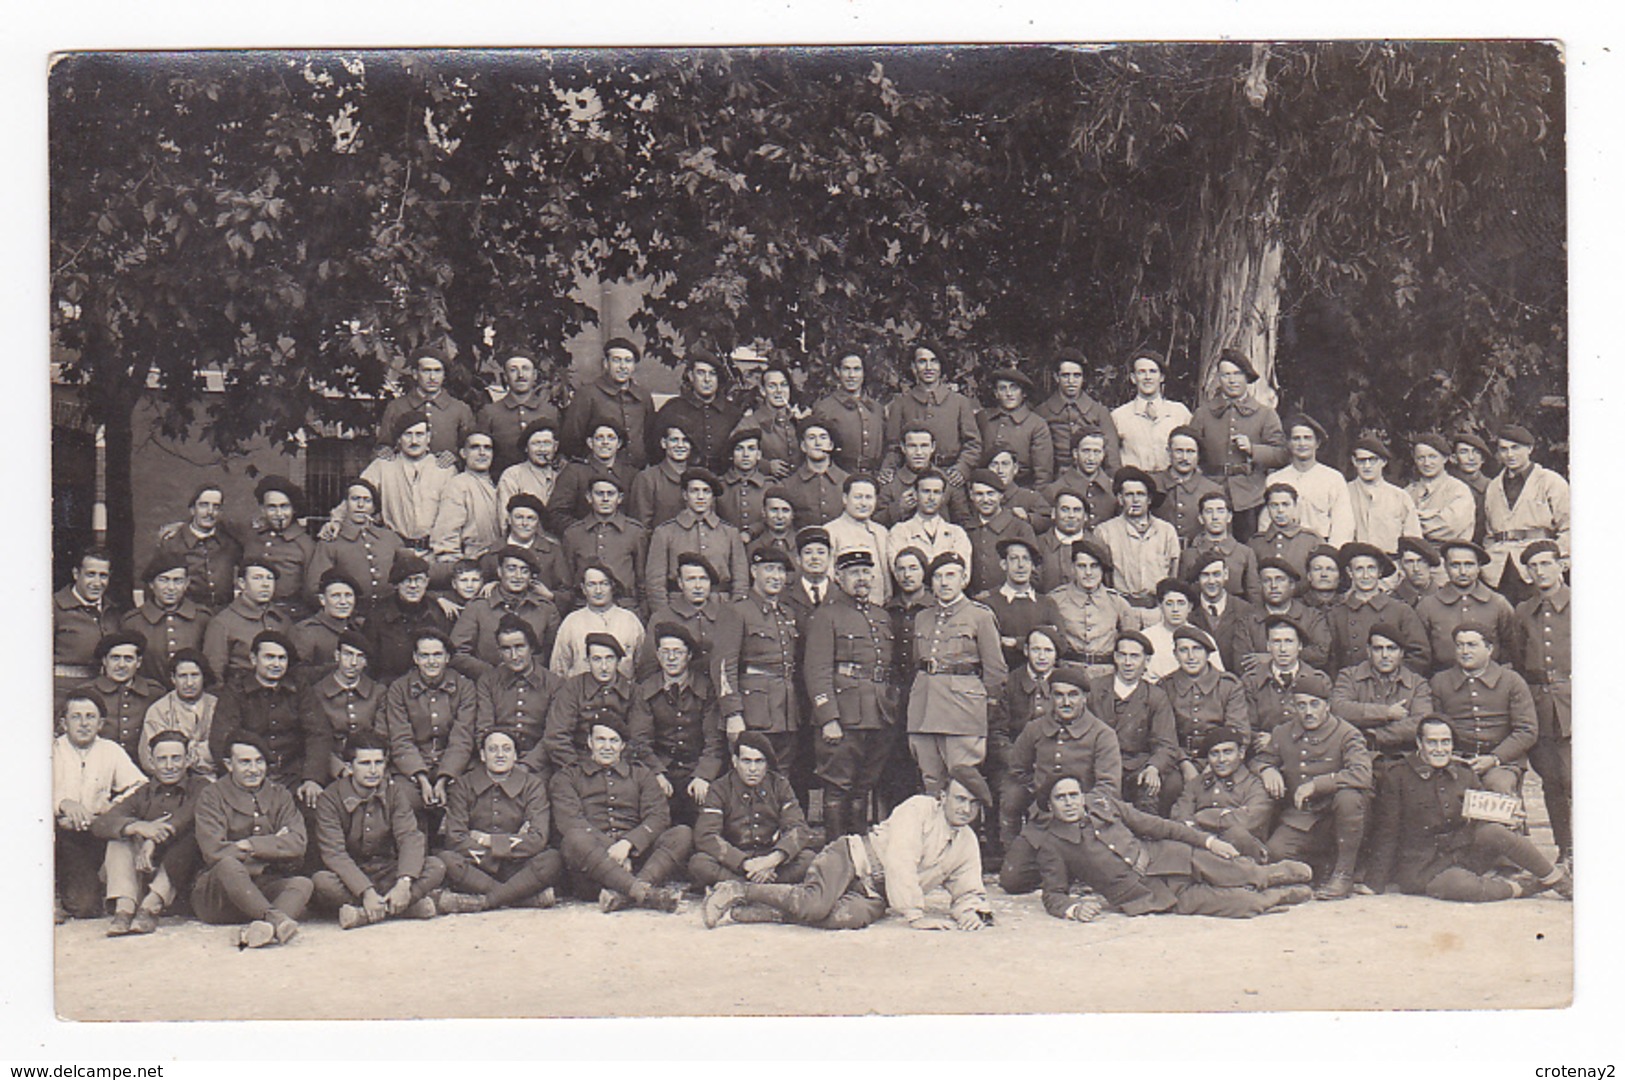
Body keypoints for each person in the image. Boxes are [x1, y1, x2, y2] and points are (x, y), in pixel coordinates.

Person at [702, 767, 994, 932]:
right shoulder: (918, 809)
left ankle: (759, 912)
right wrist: (916, 915)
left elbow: (968, 887)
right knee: (815, 903)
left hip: (878, 892)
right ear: (943, 797)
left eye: (973, 803)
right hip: (851, 858)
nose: (965, 809)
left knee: (845, 919)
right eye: (960, 799)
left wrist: (971, 912)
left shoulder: (966, 841)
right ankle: (737, 890)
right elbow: (900, 861)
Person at [1031, 774, 1312, 921]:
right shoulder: (1052, 845)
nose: (1069, 803)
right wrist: (1073, 909)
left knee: (1244, 873)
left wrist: (1208, 841)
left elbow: (1158, 826)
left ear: (1083, 796)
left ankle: (1275, 874)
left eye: (1073, 795)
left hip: (1170, 856)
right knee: (1243, 905)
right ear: (1050, 805)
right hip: (1149, 895)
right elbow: (1053, 894)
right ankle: (1277, 897)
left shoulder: (1103, 803)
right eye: (1060, 798)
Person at [1365, 717, 1571, 901]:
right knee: (1459, 886)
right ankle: (1521, 888)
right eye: (1432, 742)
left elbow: (1482, 817)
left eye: (1445, 742)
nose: (1439, 749)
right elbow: (1387, 831)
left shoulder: (1464, 772)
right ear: (1419, 743)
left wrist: (1506, 818)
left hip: (1463, 852)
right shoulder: (1397, 775)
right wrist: (1375, 882)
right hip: (1423, 864)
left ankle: (1556, 879)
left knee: (1494, 831)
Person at [999, 663, 1123, 894]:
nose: (1066, 702)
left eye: (1073, 695)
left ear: (1085, 697)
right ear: (1050, 698)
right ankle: (1056, 866)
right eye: (1059, 695)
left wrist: (1075, 807)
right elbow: (1017, 769)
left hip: (1085, 823)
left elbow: (1108, 786)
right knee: (1012, 881)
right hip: (1044, 821)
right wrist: (1042, 797)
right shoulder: (1035, 729)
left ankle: (1073, 867)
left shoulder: (1102, 734)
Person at [1253, 670, 1374, 900]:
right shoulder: (1283, 733)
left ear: (1327, 705)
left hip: (1337, 817)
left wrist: (1317, 785)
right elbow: (1260, 759)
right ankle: (1320, 869)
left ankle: (1344, 874)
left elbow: (1361, 774)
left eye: (1314, 704)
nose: (1308, 712)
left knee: (1349, 797)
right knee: (1276, 853)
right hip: (1302, 818)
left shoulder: (1347, 734)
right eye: (1301, 705)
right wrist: (1266, 769)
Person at [804, 550, 898, 840]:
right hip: (843, 716)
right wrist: (828, 717)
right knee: (837, 786)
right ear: (839, 577)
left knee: (864, 787)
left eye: (866, 572)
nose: (862, 579)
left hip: (878, 714)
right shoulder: (826, 615)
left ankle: (858, 852)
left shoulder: (881, 615)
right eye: (854, 573)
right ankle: (837, 854)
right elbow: (816, 670)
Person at [552, 718, 692, 912]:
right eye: (600, 740)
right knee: (574, 838)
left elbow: (658, 816)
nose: (607, 746)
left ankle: (627, 893)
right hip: (594, 871)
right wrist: (613, 853)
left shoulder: (641, 774)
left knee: (682, 834)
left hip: (636, 862)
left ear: (623, 745)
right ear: (590, 742)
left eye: (614, 740)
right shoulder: (568, 776)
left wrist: (628, 844)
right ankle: (646, 894)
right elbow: (570, 821)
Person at [190, 732, 313, 948]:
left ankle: (259, 929)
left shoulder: (279, 794)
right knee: (228, 864)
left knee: (303, 883)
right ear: (229, 764)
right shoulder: (212, 795)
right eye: (245, 762)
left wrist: (249, 845)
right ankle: (276, 920)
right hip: (220, 895)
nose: (254, 770)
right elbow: (214, 851)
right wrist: (273, 845)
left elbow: (298, 842)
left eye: (259, 762)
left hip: (263, 886)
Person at [311, 731, 445, 928]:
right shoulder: (330, 799)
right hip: (352, 876)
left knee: (436, 866)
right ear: (349, 767)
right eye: (365, 764)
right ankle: (405, 907)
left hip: (386, 872)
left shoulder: (394, 792)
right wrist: (366, 891)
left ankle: (366, 913)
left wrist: (403, 883)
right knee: (322, 882)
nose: (373, 770)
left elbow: (409, 836)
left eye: (379, 763)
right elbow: (335, 853)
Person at [434, 727, 565, 914]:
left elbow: (537, 838)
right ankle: (522, 898)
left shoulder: (532, 785)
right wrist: (508, 845)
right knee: (446, 859)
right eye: (493, 749)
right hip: (478, 865)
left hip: (519, 866)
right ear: (482, 755)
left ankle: (485, 902)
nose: (500, 755)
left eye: (506, 749)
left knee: (552, 860)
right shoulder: (464, 785)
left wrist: (485, 840)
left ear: (515, 756)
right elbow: (455, 838)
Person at [908, 552, 1007, 795]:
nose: (944, 582)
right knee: (931, 782)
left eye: (950, 575)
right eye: (938, 577)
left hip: (962, 711)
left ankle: (966, 834)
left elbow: (995, 670)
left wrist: (986, 708)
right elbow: (916, 662)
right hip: (924, 709)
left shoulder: (980, 616)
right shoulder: (922, 617)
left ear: (963, 579)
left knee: (964, 784)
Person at [92, 729, 208, 936]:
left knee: (191, 838)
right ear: (151, 762)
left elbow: (187, 816)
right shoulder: (142, 793)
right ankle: (124, 909)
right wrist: (138, 827)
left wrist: (152, 840)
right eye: (162, 759)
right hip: (143, 872)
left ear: (188, 759)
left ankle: (150, 908)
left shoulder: (201, 787)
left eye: (176, 758)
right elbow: (102, 823)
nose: (170, 766)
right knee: (118, 840)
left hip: (177, 877)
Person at [53, 691, 147, 920]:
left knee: (87, 907)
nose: (84, 724)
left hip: (95, 831)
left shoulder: (110, 750)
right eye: (76, 717)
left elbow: (140, 786)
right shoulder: (51, 750)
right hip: (59, 832)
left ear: (101, 723)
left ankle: (86, 889)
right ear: (63, 723)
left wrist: (112, 809)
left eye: (90, 717)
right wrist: (63, 804)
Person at [208, 631, 323, 816]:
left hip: (292, 774)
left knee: (311, 810)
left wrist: (312, 778)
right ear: (254, 659)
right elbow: (222, 738)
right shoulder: (236, 689)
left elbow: (318, 732)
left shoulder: (299, 687)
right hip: (249, 774)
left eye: (282, 658)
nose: (276, 664)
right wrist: (243, 776)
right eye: (269, 657)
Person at [688, 733, 815, 891]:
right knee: (699, 864)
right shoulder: (720, 788)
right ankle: (764, 889)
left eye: (759, 761)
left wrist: (771, 861)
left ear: (767, 763)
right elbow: (706, 835)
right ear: (735, 762)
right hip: (735, 862)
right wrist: (746, 864)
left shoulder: (780, 785)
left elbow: (798, 828)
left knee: (808, 859)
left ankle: (742, 890)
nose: (753, 769)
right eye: (746, 761)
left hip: (769, 858)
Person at [630, 621, 726, 828]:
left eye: (678, 652)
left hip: (696, 770)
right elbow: (640, 741)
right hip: (662, 770)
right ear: (657, 655)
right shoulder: (645, 690)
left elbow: (715, 741)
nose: (671, 658)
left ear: (689, 655)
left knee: (706, 822)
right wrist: (656, 773)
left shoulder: (706, 689)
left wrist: (704, 775)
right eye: (665, 652)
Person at [1188, 348, 1289, 540]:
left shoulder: (1265, 414)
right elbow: (1191, 450)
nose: (1232, 380)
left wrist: (1254, 449)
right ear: (1219, 378)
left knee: (1247, 546)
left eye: (1237, 374)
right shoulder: (1203, 414)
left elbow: (1282, 454)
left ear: (1247, 378)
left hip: (1250, 494)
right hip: (1210, 489)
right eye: (1226, 375)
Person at [1428, 622, 1538, 797]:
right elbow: (1434, 726)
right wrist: (1450, 756)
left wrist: (1495, 758)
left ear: (1489, 649)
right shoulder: (1440, 682)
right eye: (1459, 645)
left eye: (1472, 645)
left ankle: (1508, 825)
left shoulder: (1511, 681)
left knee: (1498, 786)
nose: (1464, 651)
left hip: (1502, 762)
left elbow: (1527, 730)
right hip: (1455, 759)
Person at [1513, 540, 1571, 869]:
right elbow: (1520, 660)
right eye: (1533, 567)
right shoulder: (1523, 611)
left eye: (1546, 564)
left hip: (1575, 702)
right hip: (1539, 706)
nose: (1540, 571)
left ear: (1561, 565)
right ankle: (1566, 849)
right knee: (1551, 779)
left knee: (1575, 778)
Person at [383, 629, 478, 818]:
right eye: (424, 656)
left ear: (447, 657)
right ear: (415, 658)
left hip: (454, 766)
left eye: (437, 655)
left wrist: (444, 778)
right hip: (411, 768)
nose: (431, 661)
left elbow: (462, 738)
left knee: (466, 796)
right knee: (404, 800)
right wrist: (422, 779)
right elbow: (401, 738)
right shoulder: (399, 689)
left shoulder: (465, 687)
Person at [1088, 630, 1180, 815]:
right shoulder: (1094, 689)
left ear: (1146, 661)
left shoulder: (1156, 696)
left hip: (1137, 766)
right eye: (1122, 655)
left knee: (1169, 783)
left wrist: (1153, 767)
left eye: (1134, 656)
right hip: (1097, 763)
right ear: (1115, 657)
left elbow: (1167, 744)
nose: (1128, 663)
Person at [1329, 624, 1434, 774]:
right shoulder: (1349, 677)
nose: (1385, 655)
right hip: (1358, 758)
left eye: (1391, 648)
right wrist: (1387, 713)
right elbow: (1338, 708)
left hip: (1405, 760)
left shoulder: (1417, 684)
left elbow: (1421, 723)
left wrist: (1375, 735)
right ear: (1369, 651)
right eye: (1378, 649)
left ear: (1401, 653)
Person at [537, 633, 647, 773]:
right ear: (587, 661)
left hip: (621, 766)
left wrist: (618, 767)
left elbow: (639, 739)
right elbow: (556, 736)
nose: (603, 666)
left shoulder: (633, 692)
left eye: (609, 659)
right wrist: (577, 769)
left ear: (618, 661)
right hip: (578, 763)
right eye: (596, 659)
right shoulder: (573, 688)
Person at [1483, 424, 1570, 600]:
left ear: (1530, 449)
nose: (1510, 455)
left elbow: (1569, 526)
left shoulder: (1550, 481)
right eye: (1504, 449)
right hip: (1499, 568)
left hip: (1537, 565)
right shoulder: (1493, 486)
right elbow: (1489, 532)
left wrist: (1560, 557)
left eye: (1516, 448)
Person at [450, 545, 562, 679]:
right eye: (511, 569)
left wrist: (528, 671)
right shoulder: (478, 607)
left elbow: (554, 654)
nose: (518, 576)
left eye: (524, 571)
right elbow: (456, 652)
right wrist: (491, 674)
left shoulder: (546, 609)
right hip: (488, 687)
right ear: (499, 572)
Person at [646, 467, 750, 612]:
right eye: (694, 491)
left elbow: (741, 582)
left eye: (706, 491)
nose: (700, 497)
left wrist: (732, 614)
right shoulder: (664, 533)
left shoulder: (730, 533)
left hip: (720, 607)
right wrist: (665, 615)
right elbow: (655, 584)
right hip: (677, 607)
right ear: (685, 495)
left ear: (713, 497)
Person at [883, 342, 982, 487]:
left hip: (949, 478)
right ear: (913, 367)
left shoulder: (960, 402)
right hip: (911, 480)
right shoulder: (901, 404)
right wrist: (888, 469)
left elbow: (973, 444)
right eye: (922, 361)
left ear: (940, 366)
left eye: (934, 361)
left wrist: (962, 469)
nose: (929, 367)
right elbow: (893, 446)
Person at [1047, 539, 1145, 684]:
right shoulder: (1055, 600)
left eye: (1094, 566)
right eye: (1082, 566)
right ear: (1073, 568)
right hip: (1067, 675)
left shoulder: (1117, 603)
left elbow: (1131, 644)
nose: (1088, 573)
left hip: (1106, 676)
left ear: (1102, 569)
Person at [1168, 727, 1273, 861]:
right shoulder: (1197, 784)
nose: (1221, 759)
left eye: (1228, 752)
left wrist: (1202, 817)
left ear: (1241, 753)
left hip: (1243, 853)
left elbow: (1249, 821)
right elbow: (1180, 815)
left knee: (1236, 835)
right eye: (1214, 753)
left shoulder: (1254, 784)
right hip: (1204, 847)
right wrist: (1208, 837)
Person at [1414, 540, 1519, 671]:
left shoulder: (1498, 603)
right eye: (1455, 565)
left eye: (1469, 565)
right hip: (1444, 682)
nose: (1462, 571)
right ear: (1445, 566)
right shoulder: (1428, 606)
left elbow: (1510, 648)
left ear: (1479, 567)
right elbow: (1420, 653)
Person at [1328, 543, 1430, 674]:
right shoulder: (1337, 614)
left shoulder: (1401, 611)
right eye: (1359, 569)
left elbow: (1420, 655)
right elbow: (1330, 659)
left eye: (1371, 568)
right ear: (1349, 572)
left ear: (1379, 571)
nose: (1366, 575)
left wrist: (1395, 679)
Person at [301, 630, 388, 784]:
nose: (353, 662)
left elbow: (381, 736)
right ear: (337, 656)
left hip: (371, 768)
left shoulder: (378, 693)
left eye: (360, 657)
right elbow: (317, 740)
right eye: (348, 654)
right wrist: (340, 770)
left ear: (366, 662)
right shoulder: (317, 693)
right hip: (331, 770)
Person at [359, 413, 457, 549]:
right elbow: (357, 494)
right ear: (399, 439)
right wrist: (336, 520)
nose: (414, 441)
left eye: (420, 434)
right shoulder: (383, 466)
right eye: (408, 434)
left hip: (433, 550)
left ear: (428, 438)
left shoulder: (445, 469)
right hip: (394, 548)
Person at [474, 615, 560, 767]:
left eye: (520, 647)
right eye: (506, 649)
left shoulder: (554, 684)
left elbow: (553, 734)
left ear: (531, 647)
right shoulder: (488, 682)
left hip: (538, 765)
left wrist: (528, 765)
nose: (514, 656)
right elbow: (484, 729)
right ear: (499, 651)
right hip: (496, 761)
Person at [305, 480, 406, 610]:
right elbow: (314, 589)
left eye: (367, 500)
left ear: (374, 507)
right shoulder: (330, 542)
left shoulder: (390, 539)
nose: (360, 505)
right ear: (345, 505)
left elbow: (408, 574)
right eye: (355, 499)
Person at [560, 337, 655, 470]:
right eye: (616, 360)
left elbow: (650, 436)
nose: (623, 366)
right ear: (606, 363)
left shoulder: (643, 396)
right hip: (598, 474)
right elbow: (571, 439)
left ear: (633, 366)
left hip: (636, 473)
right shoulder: (587, 394)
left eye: (628, 361)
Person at [1162, 625, 1250, 767]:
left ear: (1208, 654)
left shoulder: (1229, 686)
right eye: (1184, 650)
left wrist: (1214, 765)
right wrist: (1184, 763)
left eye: (1197, 649)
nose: (1191, 657)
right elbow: (1163, 735)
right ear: (1175, 654)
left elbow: (1238, 732)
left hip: (1222, 760)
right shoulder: (1165, 687)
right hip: (1177, 761)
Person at [560, 476, 649, 613]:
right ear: (589, 497)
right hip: (584, 608)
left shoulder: (635, 532)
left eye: (611, 494)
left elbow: (641, 581)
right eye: (599, 494)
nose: (605, 499)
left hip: (625, 608)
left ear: (620, 498)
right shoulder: (573, 534)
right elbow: (568, 581)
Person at [1093, 467, 1180, 606]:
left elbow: (1173, 572)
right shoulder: (1105, 532)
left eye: (1140, 494)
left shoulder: (1166, 531)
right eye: (1129, 495)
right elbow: (1102, 577)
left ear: (1149, 499)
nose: (1135, 500)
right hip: (1121, 605)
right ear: (1120, 499)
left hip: (1158, 607)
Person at [1264, 415, 1354, 548]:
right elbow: (1266, 521)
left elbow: (1343, 522)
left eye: (1307, 438)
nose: (1302, 444)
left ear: (1317, 443)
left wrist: (1331, 553)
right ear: (1288, 443)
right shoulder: (1276, 479)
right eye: (1296, 439)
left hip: (1321, 546)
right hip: (1285, 547)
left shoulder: (1333, 478)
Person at [201, 556, 294, 684]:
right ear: (242, 583)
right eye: (257, 578)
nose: (265, 584)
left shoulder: (282, 620)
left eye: (269, 578)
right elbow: (214, 673)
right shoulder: (223, 623)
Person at [1234, 557, 1332, 674]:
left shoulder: (1312, 617)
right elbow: (1242, 664)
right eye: (1267, 580)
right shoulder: (1248, 621)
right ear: (1260, 586)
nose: (1273, 586)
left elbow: (1321, 655)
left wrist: (1271, 657)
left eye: (1280, 580)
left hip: (1304, 685)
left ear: (1291, 585)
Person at [363, 554, 452, 681]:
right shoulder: (378, 615)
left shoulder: (437, 612)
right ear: (396, 584)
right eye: (407, 580)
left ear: (426, 582)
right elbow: (369, 664)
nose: (413, 586)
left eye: (419, 580)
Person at [1241, 616, 1331, 743]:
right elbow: (1246, 726)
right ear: (1268, 646)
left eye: (1289, 641)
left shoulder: (1318, 679)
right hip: (1265, 752)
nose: (1283, 649)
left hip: (1309, 751)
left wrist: (1278, 739)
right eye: (1276, 642)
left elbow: (1326, 725)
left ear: (1299, 646)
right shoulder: (1251, 681)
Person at [123, 555, 209, 686]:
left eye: (178, 581)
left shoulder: (202, 618)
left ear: (187, 583)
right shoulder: (133, 622)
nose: (171, 587)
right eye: (163, 580)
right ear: (151, 584)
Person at [652, 349, 743, 473]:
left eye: (712, 374)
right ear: (690, 376)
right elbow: (654, 449)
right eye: (701, 373)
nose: (707, 379)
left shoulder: (732, 413)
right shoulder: (672, 409)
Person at [376, 349, 477, 459]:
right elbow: (383, 446)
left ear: (444, 375)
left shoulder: (460, 409)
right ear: (415, 374)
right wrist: (385, 451)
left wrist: (454, 458)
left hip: (446, 473)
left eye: (437, 371)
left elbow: (471, 449)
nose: (432, 377)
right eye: (426, 371)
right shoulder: (396, 407)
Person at [77, 631, 163, 761]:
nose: (121, 665)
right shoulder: (87, 693)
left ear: (138, 662)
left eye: (128, 659)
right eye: (115, 658)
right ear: (105, 661)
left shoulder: (154, 693)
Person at [153, 484, 241, 610]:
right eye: (204, 505)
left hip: (223, 617)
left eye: (216, 507)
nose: (210, 512)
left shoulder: (230, 543)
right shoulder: (172, 543)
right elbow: (154, 585)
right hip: (187, 618)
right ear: (193, 509)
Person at [551, 562, 645, 679]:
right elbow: (558, 668)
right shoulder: (571, 622)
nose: (598, 590)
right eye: (591, 584)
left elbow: (642, 666)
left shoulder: (630, 620)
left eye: (604, 584)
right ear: (584, 589)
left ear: (612, 586)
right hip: (580, 694)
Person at [55, 548, 122, 705]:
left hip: (103, 694)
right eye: (90, 574)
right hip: (64, 695)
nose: (97, 583)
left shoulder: (113, 610)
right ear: (76, 574)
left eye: (103, 576)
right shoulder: (54, 608)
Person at [428, 429, 502, 571]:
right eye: (475, 447)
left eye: (487, 448)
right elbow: (446, 535)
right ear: (463, 453)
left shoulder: (498, 484)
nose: (482, 453)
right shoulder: (459, 485)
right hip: (474, 564)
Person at [978, 538, 1056, 673]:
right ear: (1003, 564)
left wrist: (1016, 643)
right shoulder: (989, 604)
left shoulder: (1047, 604)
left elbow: (1059, 641)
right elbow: (987, 646)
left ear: (1032, 566)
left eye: (1026, 559)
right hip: (1002, 676)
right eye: (1014, 559)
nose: (1021, 565)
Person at [478, 350, 561, 475]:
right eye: (513, 370)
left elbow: (560, 452)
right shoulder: (490, 412)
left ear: (535, 375)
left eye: (525, 369)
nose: (520, 375)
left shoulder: (550, 412)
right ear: (505, 377)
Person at [1041, 348, 1122, 473]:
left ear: (1083, 378)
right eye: (1065, 375)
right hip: (1058, 481)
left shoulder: (1099, 412)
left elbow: (1112, 457)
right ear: (1056, 377)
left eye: (1077, 375)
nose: (1071, 381)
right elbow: (1041, 460)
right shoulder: (1043, 412)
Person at [548, 420, 639, 528]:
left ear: (618, 444)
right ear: (590, 443)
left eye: (611, 438)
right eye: (599, 438)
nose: (605, 442)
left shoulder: (631, 474)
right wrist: (583, 532)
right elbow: (556, 513)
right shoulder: (574, 471)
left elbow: (637, 514)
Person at [139, 650, 218, 775]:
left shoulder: (217, 706)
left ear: (204, 677)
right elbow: (149, 759)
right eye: (182, 676)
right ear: (173, 678)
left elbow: (221, 752)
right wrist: (200, 752)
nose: (189, 683)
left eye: (195, 675)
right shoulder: (159, 710)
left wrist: (185, 752)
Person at [964, 468, 1040, 597]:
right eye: (979, 494)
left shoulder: (1020, 528)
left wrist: (995, 594)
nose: (985, 499)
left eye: (990, 493)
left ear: (1001, 495)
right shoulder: (967, 529)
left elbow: (1034, 574)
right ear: (971, 495)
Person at [1111, 349, 1189, 473]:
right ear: (1133, 378)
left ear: (1162, 377)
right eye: (1141, 372)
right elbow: (1112, 458)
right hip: (1135, 484)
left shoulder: (1179, 412)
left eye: (1153, 372)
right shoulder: (1119, 416)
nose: (1147, 377)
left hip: (1170, 483)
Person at [879, 424, 972, 527]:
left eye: (924, 446)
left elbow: (963, 522)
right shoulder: (890, 482)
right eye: (912, 446)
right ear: (903, 448)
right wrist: (898, 509)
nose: (918, 452)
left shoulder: (948, 481)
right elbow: (876, 522)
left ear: (932, 447)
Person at [484, 492, 568, 605]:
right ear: (509, 519)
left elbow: (568, 593)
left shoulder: (553, 552)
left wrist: (551, 596)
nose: (525, 523)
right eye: (519, 517)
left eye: (531, 518)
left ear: (538, 522)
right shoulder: (493, 552)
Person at [1178, 492, 1262, 604]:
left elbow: (1254, 594)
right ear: (1201, 518)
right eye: (1209, 511)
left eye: (1220, 511)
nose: (1215, 517)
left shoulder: (1245, 553)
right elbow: (1182, 594)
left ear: (1229, 517)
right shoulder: (1189, 555)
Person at [977, 366, 1054, 486]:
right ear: (996, 393)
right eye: (1003, 389)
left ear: (1023, 393)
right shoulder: (983, 418)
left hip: (1021, 488)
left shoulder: (1036, 424)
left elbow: (1043, 473)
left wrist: (1034, 499)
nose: (1008, 394)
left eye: (1014, 388)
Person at [813, 350, 887, 475]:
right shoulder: (825, 408)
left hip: (873, 478)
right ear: (837, 372)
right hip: (840, 477)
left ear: (864, 373)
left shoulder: (877, 408)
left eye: (857, 369)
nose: (851, 375)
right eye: (846, 369)